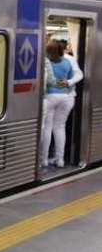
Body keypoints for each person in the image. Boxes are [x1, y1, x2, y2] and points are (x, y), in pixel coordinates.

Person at [41, 40, 81, 168]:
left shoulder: (46, 61)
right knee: (59, 128)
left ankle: (44, 159)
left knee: (47, 128)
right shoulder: (67, 62)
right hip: (65, 97)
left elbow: (47, 80)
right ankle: (60, 160)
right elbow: (73, 76)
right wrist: (67, 83)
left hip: (50, 96)